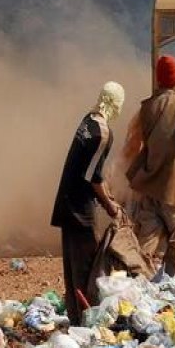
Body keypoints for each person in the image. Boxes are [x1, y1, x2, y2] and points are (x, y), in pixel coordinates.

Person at [51, 81, 125, 325]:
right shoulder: (103, 133)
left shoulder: (87, 121)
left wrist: (107, 195)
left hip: (66, 201)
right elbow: (93, 177)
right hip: (80, 210)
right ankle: (89, 321)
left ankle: (75, 317)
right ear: (116, 104)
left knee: (72, 268)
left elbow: (91, 171)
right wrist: (110, 205)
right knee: (88, 268)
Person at [126, 55, 175, 278]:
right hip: (172, 182)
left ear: (158, 80)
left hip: (148, 180)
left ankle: (138, 279)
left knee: (148, 235)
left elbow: (137, 141)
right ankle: (172, 279)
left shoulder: (146, 107)